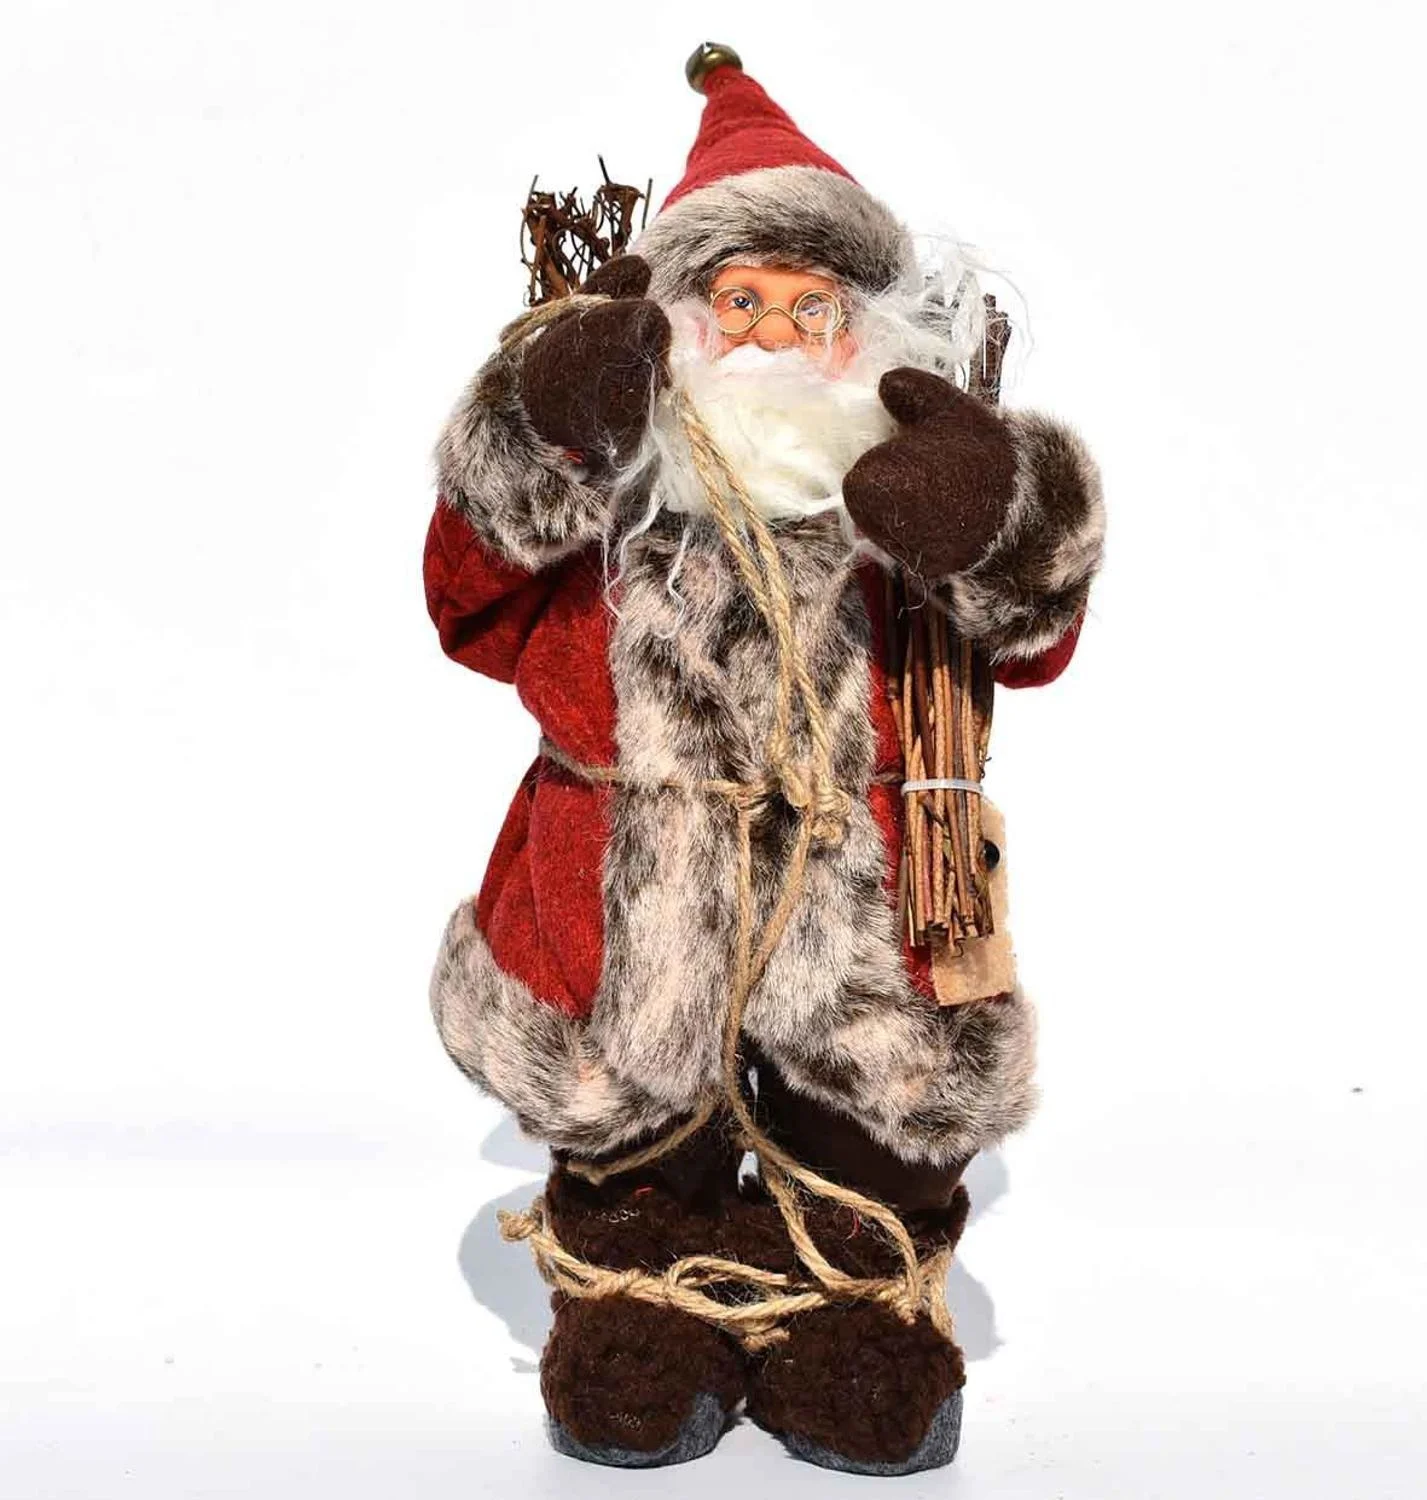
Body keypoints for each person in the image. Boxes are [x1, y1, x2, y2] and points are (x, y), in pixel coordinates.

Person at [424, 42, 1104, 1474]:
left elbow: (1032, 643)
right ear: (678, 321)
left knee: (874, 1133)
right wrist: (539, 438)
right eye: (739, 301)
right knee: (630, 1130)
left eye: (813, 307)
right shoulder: (616, 501)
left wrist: (994, 517)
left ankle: (855, 1321)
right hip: (626, 893)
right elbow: (466, 611)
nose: (774, 336)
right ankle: (638, 1313)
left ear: (868, 333)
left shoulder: (898, 499)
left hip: (869, 889)